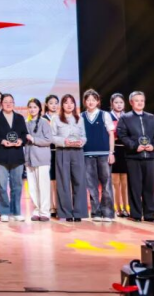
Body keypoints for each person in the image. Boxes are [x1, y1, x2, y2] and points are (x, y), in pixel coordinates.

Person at [117, 91, 154, 223]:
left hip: (149, 157)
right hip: (133, 157)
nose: (140, 103)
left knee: (149, 187)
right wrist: (134, 146)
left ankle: (150, 214)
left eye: (142, 100)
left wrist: (153, 145)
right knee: (134, 186)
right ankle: (136, 214)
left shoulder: (151, 117)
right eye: (137, 100)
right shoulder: (125, 118)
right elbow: (122, 135)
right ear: (131, 102)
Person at [0, 93, 28, 223]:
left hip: (17, 155)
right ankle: (4, 211)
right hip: (1, 156)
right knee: (2, 186)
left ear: (14, 103)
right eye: (6, 101)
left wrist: (21, 140)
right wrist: (2, 141)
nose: (8, 104)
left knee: (17, 185)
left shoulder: (20, 118)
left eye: (11, 101)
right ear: (1, 104)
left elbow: (24, 134)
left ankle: (16, 212)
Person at [51, 94, 88, 222]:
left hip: (77, 151)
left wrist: (81, 142)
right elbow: (52, 137)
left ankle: (78, 212)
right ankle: (66, 212)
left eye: (71, 102)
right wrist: (64, 141)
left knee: (79, 181)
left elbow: (84, 135)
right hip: (63, 151)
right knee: (63, 182)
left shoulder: (80, 119)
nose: (69, 105)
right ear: (62, 105)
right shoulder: (56, 119)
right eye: (66, 102)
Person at [82, 90, 116, 223]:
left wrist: (111, 152)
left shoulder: (104, 115)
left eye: (93, 99)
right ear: (85, 102)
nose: (91, 102)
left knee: (106, 184)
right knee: (91, 185)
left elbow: (111, 134)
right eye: (88, 100)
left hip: (104, 154)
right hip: (87, 154)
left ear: (98, 101)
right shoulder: (81, 116)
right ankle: (96, 212)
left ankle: (108, 213)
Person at [24, 99, 53, 222]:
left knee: (43, 186)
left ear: (39, 109)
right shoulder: (26, 123)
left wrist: (33, 139)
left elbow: (48, 140)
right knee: (32, 187)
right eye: (30, 107)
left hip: (42, 159)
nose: (32, 109)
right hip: (29, 159)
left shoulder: (44, 122)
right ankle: (36, 210)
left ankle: (45, 212)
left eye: (35, 107)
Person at [110, 93, 130, 218]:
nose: (119, 105)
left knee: (125, 182)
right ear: (112, 104)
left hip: (126, 150)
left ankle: (126, 207)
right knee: (115, 182)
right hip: (114, 149)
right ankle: (117, 207)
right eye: (116, 102)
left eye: (121, 102)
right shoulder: (108, 117)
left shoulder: (128, 116)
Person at [43, 95, 60, 219]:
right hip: (46, 151)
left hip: (59, 151)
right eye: (51, 103)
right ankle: (50, 206)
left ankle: (59, 205)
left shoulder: (61, 117)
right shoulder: (42, 119)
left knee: (58, 180)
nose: (54, 105)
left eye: (56, 103)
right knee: (49, 179)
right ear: (46, 104)